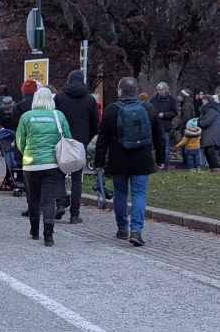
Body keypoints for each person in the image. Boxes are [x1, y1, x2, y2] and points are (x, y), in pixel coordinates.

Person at [94, 76, 165, 247]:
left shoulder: (111, 110)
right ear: (136, 91)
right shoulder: (148, 109)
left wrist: (99, 162)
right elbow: (159, 136)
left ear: (120, 91)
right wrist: (161, 159)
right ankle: (136, 231)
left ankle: (122, 228)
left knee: (120, 193)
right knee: (139, 194)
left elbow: (102, 139)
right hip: (142, 160)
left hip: (118, 159)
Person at [16, 87, 70, 246]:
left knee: (33, 198)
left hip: (31, 165)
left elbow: (20, 141)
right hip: (52, 164)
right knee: (48, 199)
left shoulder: (26, 117)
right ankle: (48, 234)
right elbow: (67, 137)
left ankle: (34, 230)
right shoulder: (59, 116)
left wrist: (27, 152)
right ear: (51, 100)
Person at [54, 69, 100, 223]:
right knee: (76, 179)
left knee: (59, 174)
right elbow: (95, 123)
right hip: (80, 142)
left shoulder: (59, 97)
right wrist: (87, 138)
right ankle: (75, 214)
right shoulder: (89, 99)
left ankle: (61, 203)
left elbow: (55, 117)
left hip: (62, 141)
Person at [149, 82, 178, 169]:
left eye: (161, 89)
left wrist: (164, 115)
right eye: (158, 90)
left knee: (165, 146)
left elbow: (174, 112)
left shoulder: (171, 100)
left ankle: (165, 165)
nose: (160, 91)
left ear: (166, 90)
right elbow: (150, 110)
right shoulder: (153, 100)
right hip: (154, 126)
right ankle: (158, 164)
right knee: (156, 146)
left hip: (165, 126)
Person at [198, 94, 220, 171]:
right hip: (209, 132)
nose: (202, 101)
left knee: (210, 151)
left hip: (212, 133)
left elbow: (206, 122)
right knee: (208, 150)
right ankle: (213, 167)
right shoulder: (207, 109)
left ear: (207, 100)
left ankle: (216, 167)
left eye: (204, 100)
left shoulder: (211, 110)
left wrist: (198, 122)